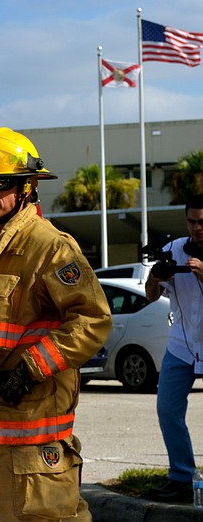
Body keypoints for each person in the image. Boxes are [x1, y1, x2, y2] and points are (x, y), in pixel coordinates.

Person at [0, 127, 111, 521]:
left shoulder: (50, 247)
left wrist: (32, 369)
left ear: (26, 187)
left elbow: (93, 319)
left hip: (33, 445)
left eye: (0, 183)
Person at [143, 194, 203, 504]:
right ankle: (181, 477)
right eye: (192, 221)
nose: (197, 228)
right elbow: (150, 295)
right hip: (181, 344)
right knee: (168, 410)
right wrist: (156, 276)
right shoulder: (174, 250)